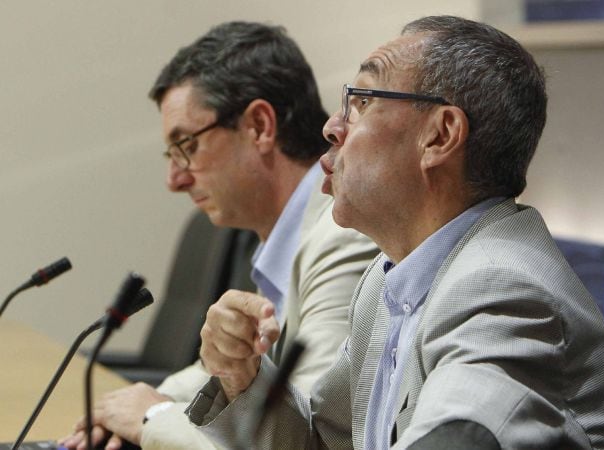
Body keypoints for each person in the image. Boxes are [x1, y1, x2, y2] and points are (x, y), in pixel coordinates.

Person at [186, 15, 604, 449]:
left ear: (440, 136)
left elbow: (465, 433)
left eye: (361, 101)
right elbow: (326, 443)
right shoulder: (391, 278)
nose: (332, 127)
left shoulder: (501, 286)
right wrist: (243, 376)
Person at [58, 21, 378, 450]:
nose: (174, 179)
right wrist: (129, 408)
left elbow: (303, 435)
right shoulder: (285, 238)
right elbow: (218, 373)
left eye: (186, 145)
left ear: (260, 126)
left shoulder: (342, 238)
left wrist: (152, 417)